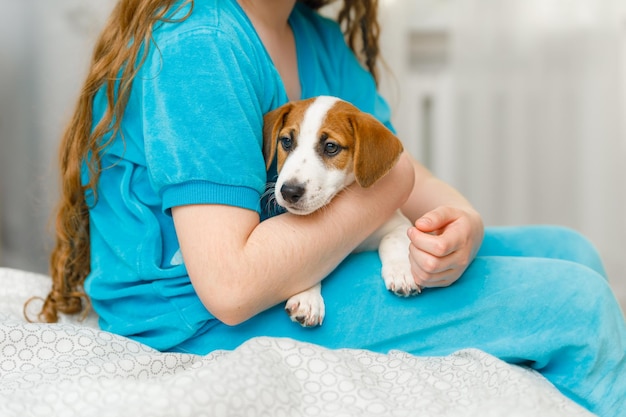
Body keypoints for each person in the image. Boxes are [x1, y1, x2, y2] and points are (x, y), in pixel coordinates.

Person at [30, 0, 625, 416]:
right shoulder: (200, 44)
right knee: (582, 306)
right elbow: (231, 286)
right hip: (192, 317)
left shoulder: (316, 38)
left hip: (297, 261)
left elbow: (391, 165)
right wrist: (393, 187)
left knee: (571, 251)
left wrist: (460, 219)